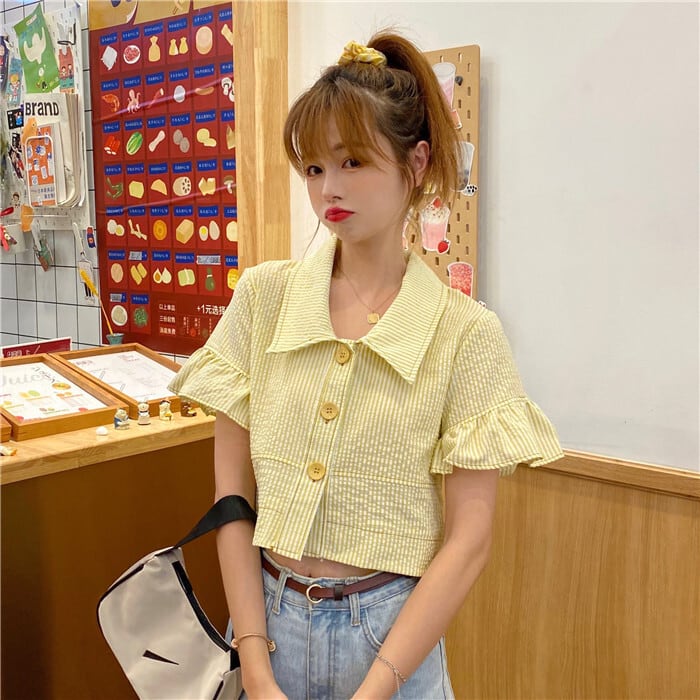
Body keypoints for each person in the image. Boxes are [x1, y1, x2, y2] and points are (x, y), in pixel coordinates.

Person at [169, 31, 563, 700]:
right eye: (313, 168)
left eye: (352, 161)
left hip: (390, 639)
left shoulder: (465, 334)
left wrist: (375, 688)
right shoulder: (263, 299)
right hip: (265, 624)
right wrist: (255, 666)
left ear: (417, 162)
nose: (329, 188)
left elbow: (469, 542)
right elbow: (231, 501)